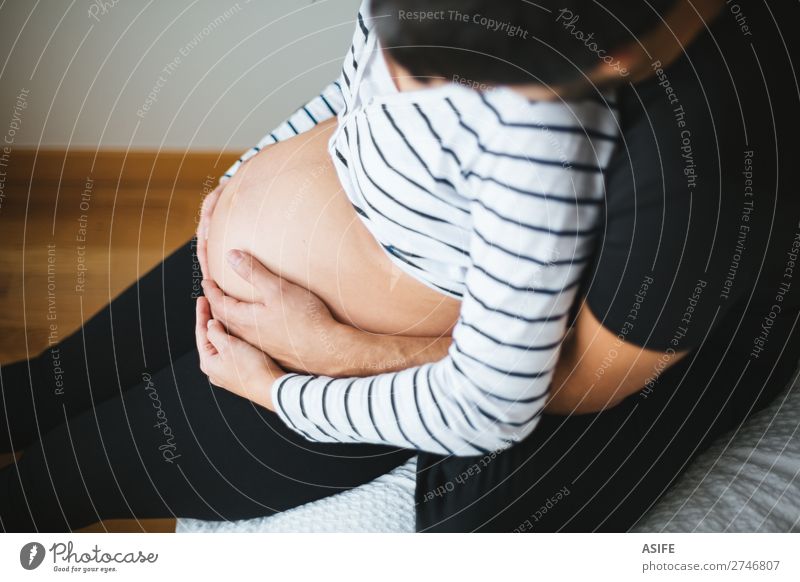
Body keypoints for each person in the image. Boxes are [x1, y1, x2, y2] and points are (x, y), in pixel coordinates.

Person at [0, 0, 796, 534]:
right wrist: (243, 179)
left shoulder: (558, 141)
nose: (406, 80)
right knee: (41, 388)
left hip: (324, 362)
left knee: (57, 483)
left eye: (442, 80)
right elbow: (351, 93)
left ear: (608, 61)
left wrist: (299, 379)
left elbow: (504, 399)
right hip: (253, 270)